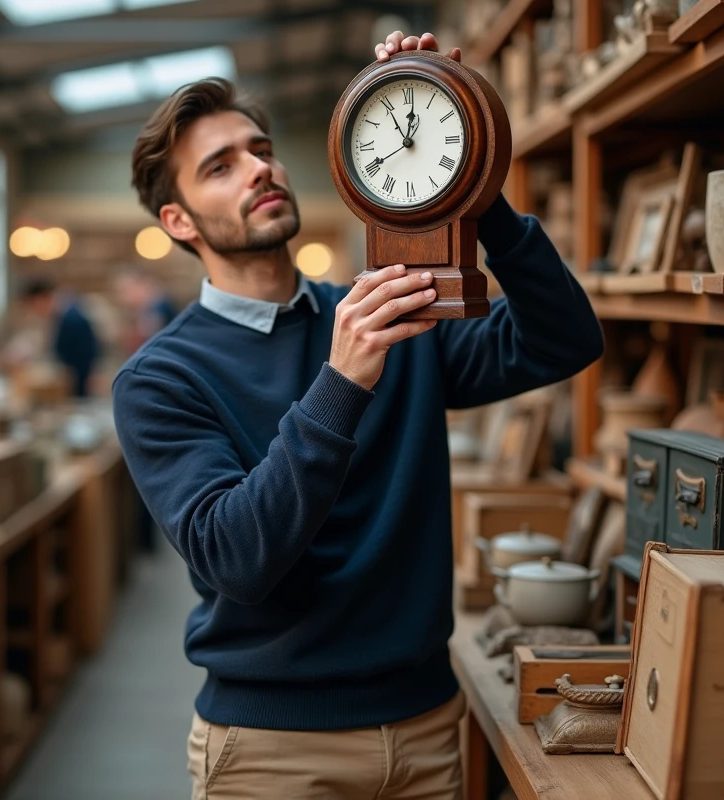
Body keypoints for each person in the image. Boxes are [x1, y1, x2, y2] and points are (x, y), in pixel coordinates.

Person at [112, 31, 604, 800]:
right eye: (221, 165)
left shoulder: (384, 314)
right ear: (179, 222)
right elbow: (236, 557)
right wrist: (341, 381)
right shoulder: (160, 378)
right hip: (272, 752)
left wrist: (465, 165)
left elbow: (564, 339)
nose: (259, 168)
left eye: (260, 149)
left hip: (427, 729)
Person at [20, 278, 99, 398]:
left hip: (77, 382)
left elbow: (85, 355)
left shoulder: (72, 319)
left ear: (42, 298)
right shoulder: (60, 317)